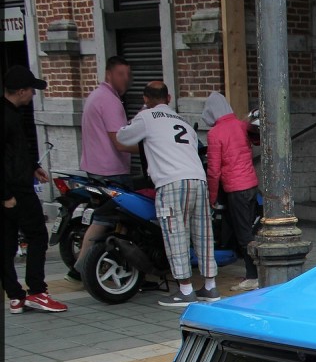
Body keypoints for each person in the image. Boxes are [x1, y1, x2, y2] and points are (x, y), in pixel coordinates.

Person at [114, 81, 218, 307]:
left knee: (176, 234)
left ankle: (185, 290)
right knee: (203, 234)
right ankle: (210, 287)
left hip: (171, 182)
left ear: (145, 99)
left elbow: (122, 138)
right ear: (169, 98)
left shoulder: (147, 117)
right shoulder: (183, 121)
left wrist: (144, 111)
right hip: (197, 180)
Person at [4, 65, 68, 314]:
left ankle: (16, 297)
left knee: (8, 244)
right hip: (15, 191)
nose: (33, 94)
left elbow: (14, 151)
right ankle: (37, 291)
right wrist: (6, 195)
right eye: (31, 90)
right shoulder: (7, 117)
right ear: (21, 91)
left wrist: (32, 166)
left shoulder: (11, 113)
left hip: (15, 185)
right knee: (38, 236)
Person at [70, 55, 136, 282]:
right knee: (108, 220)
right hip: (111, 171)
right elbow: (119, 141)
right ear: (109, 74)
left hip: (96, 168)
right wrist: (150, 149)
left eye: (128, 74)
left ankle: (84, 266)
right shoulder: (110, 101)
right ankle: (82, 267)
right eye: (121, 74)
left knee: (103, 219)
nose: (126, 79)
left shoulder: (95, 96)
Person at [202, 91, 260, 291]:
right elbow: (257, 140)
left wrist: (211, 196)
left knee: (244, 235)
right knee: (249, 230)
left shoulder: (215, 134)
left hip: (235, 189)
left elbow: (214, 170)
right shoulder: (241, 125)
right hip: (251, 185)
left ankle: (253, 276)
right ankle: (254, 272)